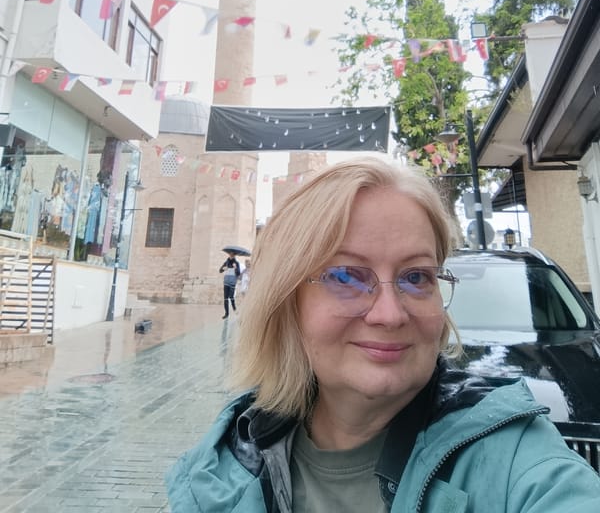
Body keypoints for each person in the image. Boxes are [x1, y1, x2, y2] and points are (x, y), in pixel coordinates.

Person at [167, 157, 600, 511]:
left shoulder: (512, 461)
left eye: (416, 276)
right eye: (346, 275)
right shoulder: (225, 464)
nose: (390, 314)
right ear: (286, 300)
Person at [219, 252, 241, 318]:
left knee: (231, 296)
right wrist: (223, 268)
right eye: (230, 254)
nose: (231, 255)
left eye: (233, 254)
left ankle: (234, 309)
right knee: (225, 298)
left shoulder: (236, 263)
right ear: (229, 255)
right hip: (226, 282)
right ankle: (226, 314)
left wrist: (235, 268)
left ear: (234, 255)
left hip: (232, 282)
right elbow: (220, 270)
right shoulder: (226, 263)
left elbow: (238, 273)